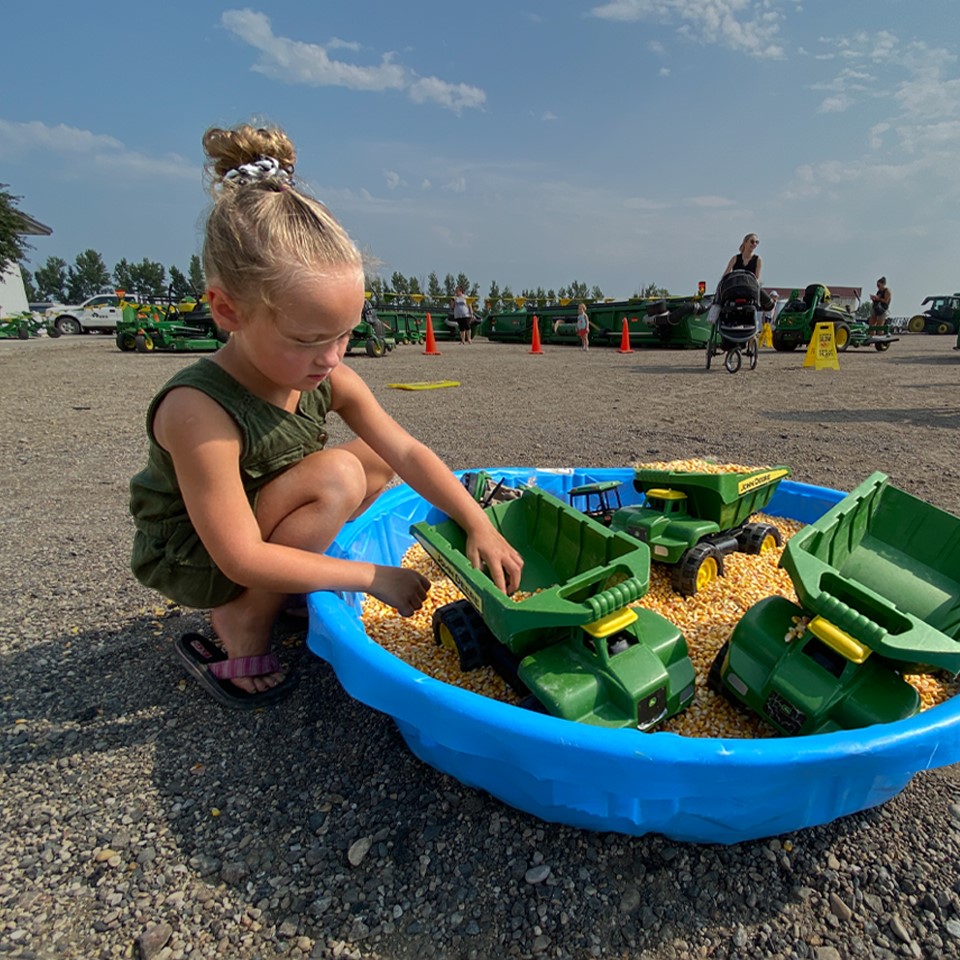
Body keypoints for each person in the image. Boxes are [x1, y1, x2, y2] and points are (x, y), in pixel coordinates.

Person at [129, 122, 523, 709]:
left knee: (371, 460)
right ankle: (242, 622)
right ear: (226, 309)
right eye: (309, 338)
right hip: (202, 552)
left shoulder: (324, 373)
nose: (332, 358)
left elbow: (407, 452)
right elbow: (237, 553)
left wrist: (478, 522)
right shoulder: (198, 407)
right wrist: (373, 578)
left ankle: (291, 583)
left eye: (345, 335)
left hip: (261, 519)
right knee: (338, 475)